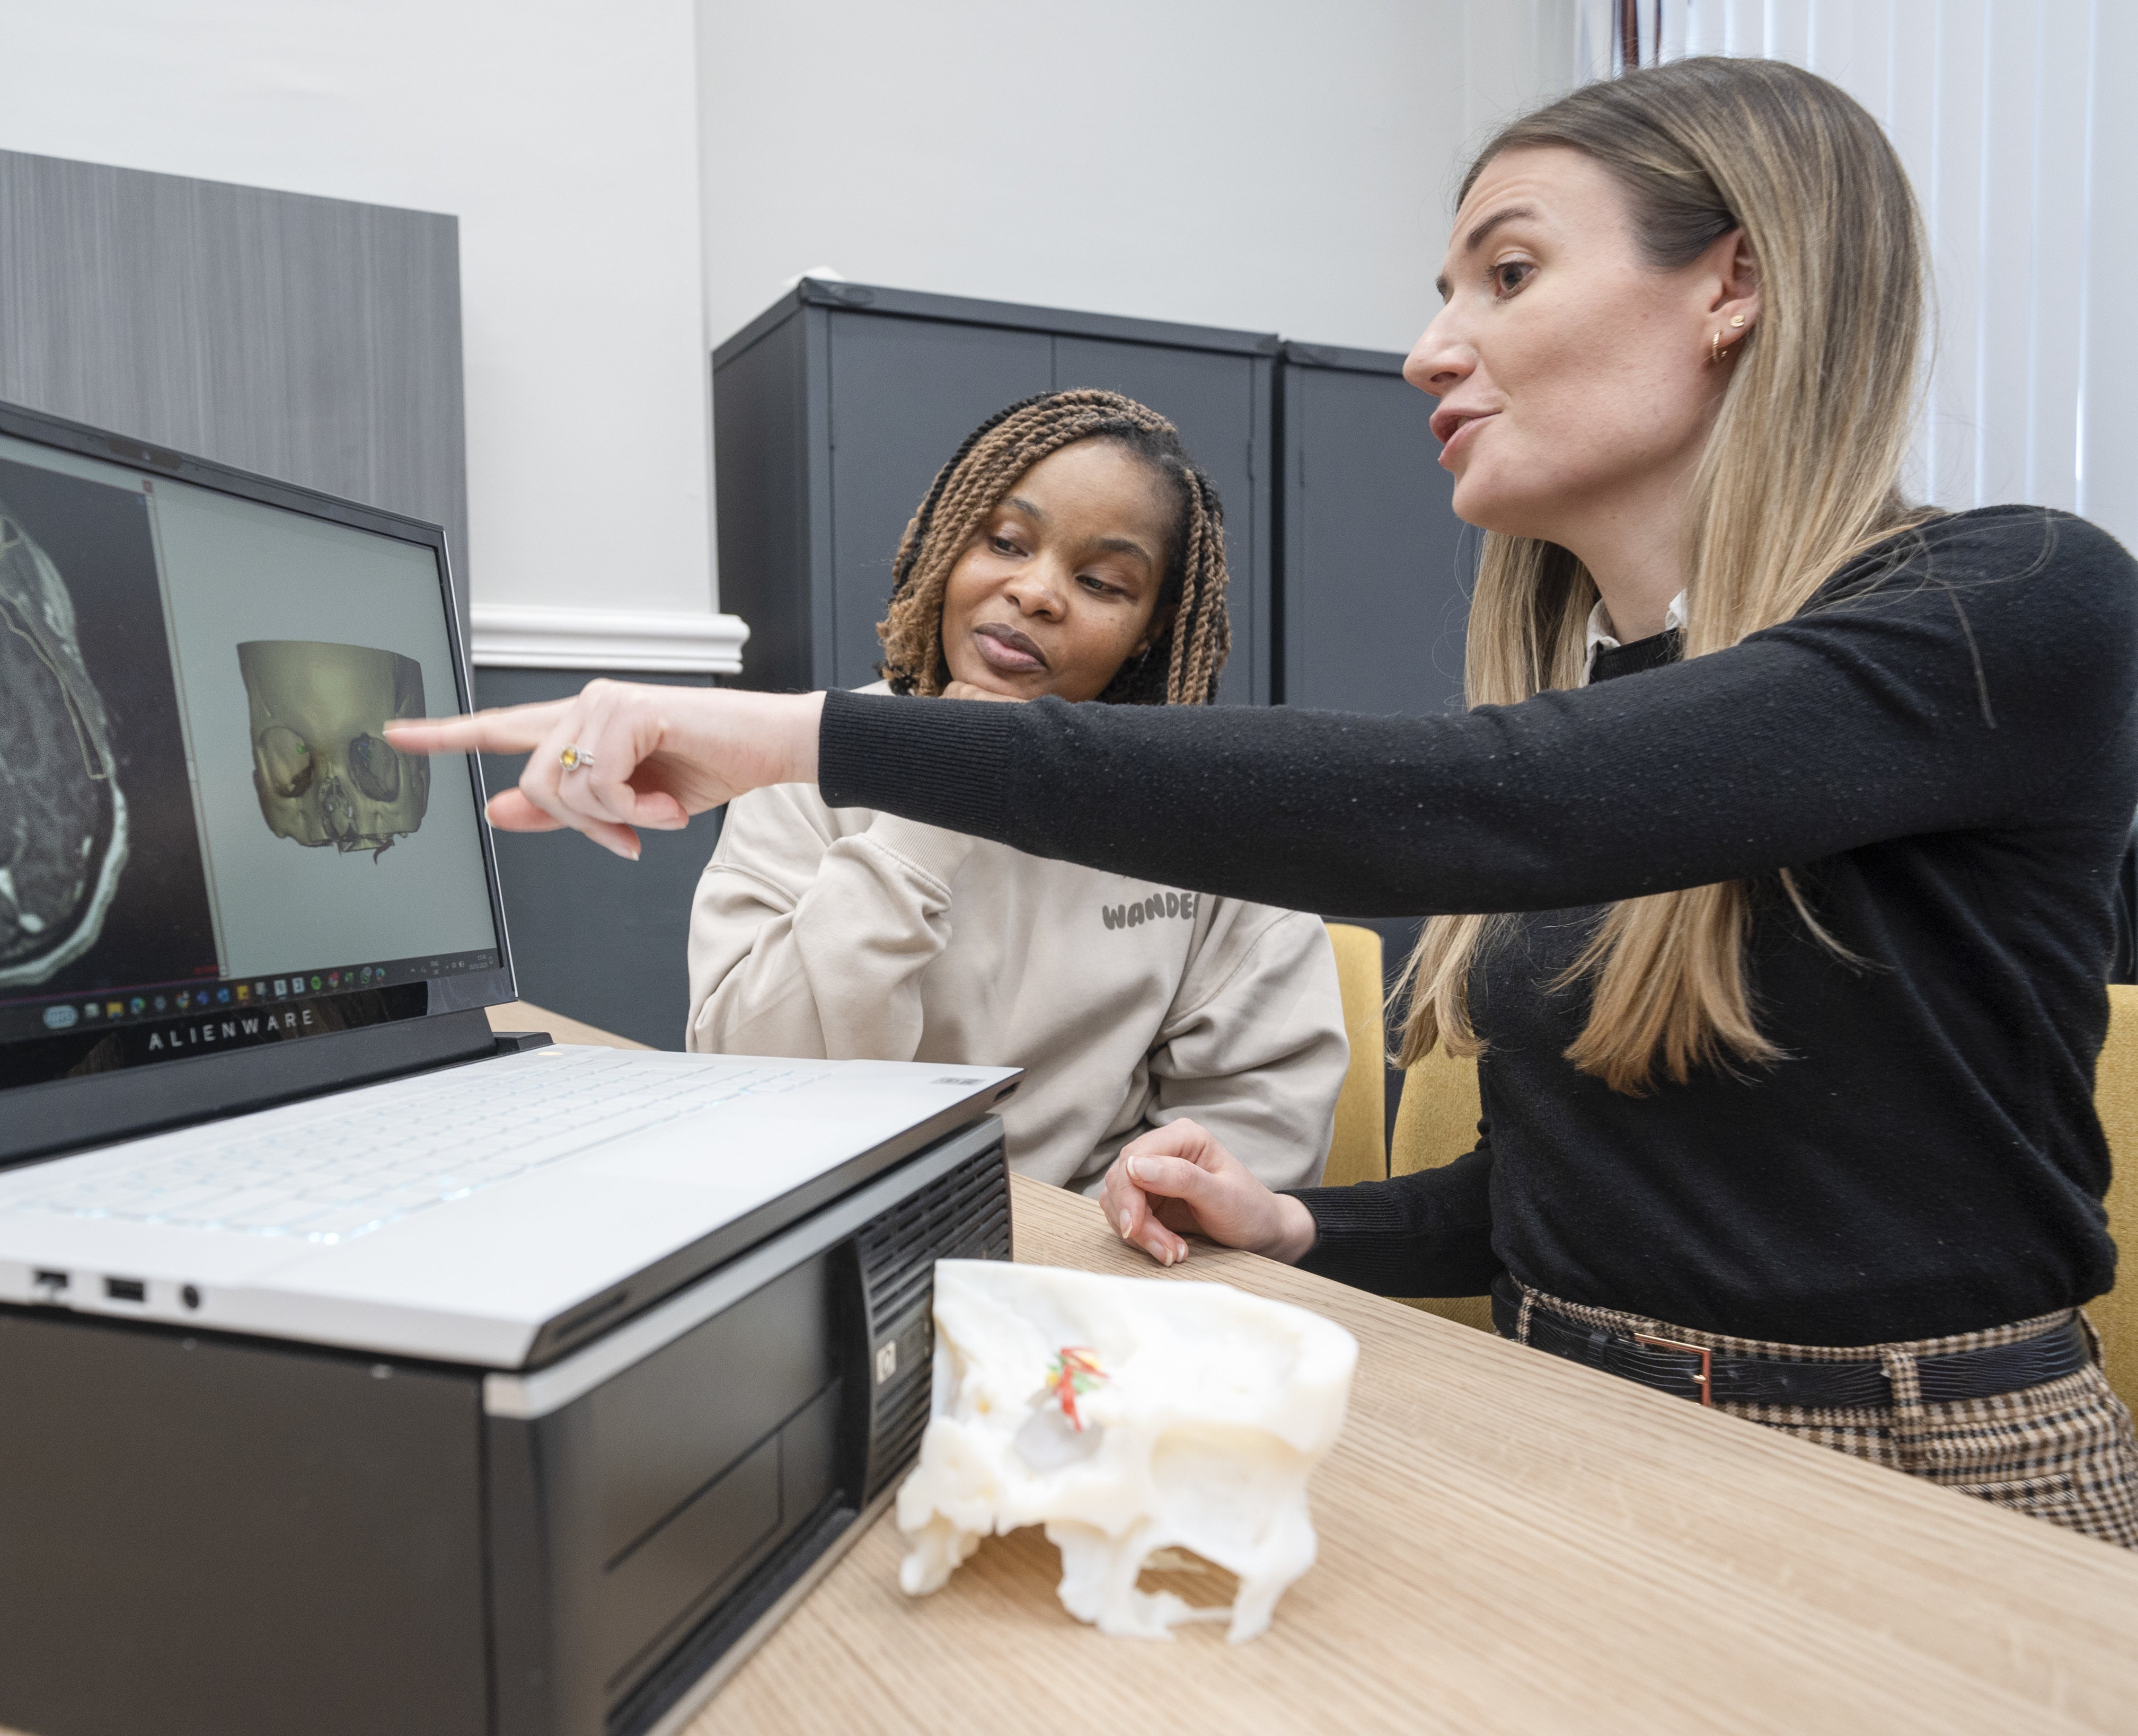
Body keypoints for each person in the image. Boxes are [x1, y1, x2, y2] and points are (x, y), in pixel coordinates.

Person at [393, 57, 2138, 1547]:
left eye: (1503, 274)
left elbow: (1483, 811)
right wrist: (1305, 1224)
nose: (1427, 351)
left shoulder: (2012, 602)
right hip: (1575, 1410)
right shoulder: (1592, 704)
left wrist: (813, 735)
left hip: (1919, 1460)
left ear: (1734, 282)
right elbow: (1582, 1209)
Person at [687, 392, 1346, 1192]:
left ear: (1152, 625)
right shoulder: (809, 765)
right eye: (1005, 541)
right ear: (947, 542)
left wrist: (1081, 1257)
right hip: (831, 1234)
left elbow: (1256, 1131)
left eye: (1103, 582)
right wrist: (929, 809)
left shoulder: (1205, 804)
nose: (1037, 592)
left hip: (1094, 1277)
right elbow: (752, 1077)